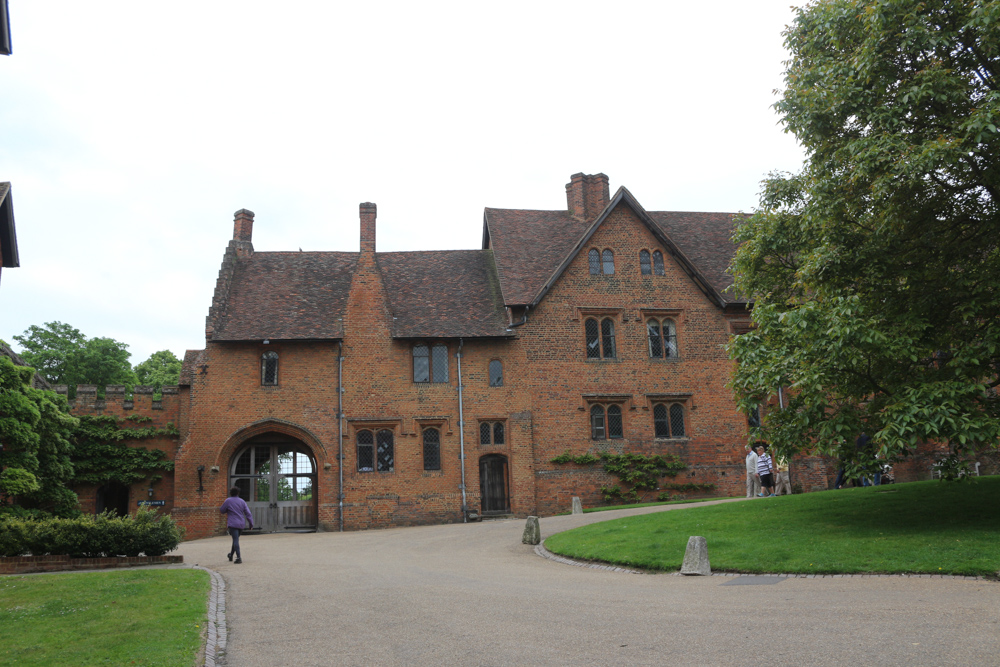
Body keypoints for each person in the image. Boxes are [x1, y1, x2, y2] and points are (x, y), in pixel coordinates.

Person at [220, 486, 254, 564]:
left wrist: (228, 509)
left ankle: (239, 557)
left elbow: (222, 510)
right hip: (241, 524)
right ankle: (231, 555)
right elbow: (248, 513)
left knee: (235, 540)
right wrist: (251, 524)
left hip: (233, 524)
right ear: (238, 493)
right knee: (235, 540)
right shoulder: (242, 501)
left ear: (230, 493)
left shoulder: (228, 501)